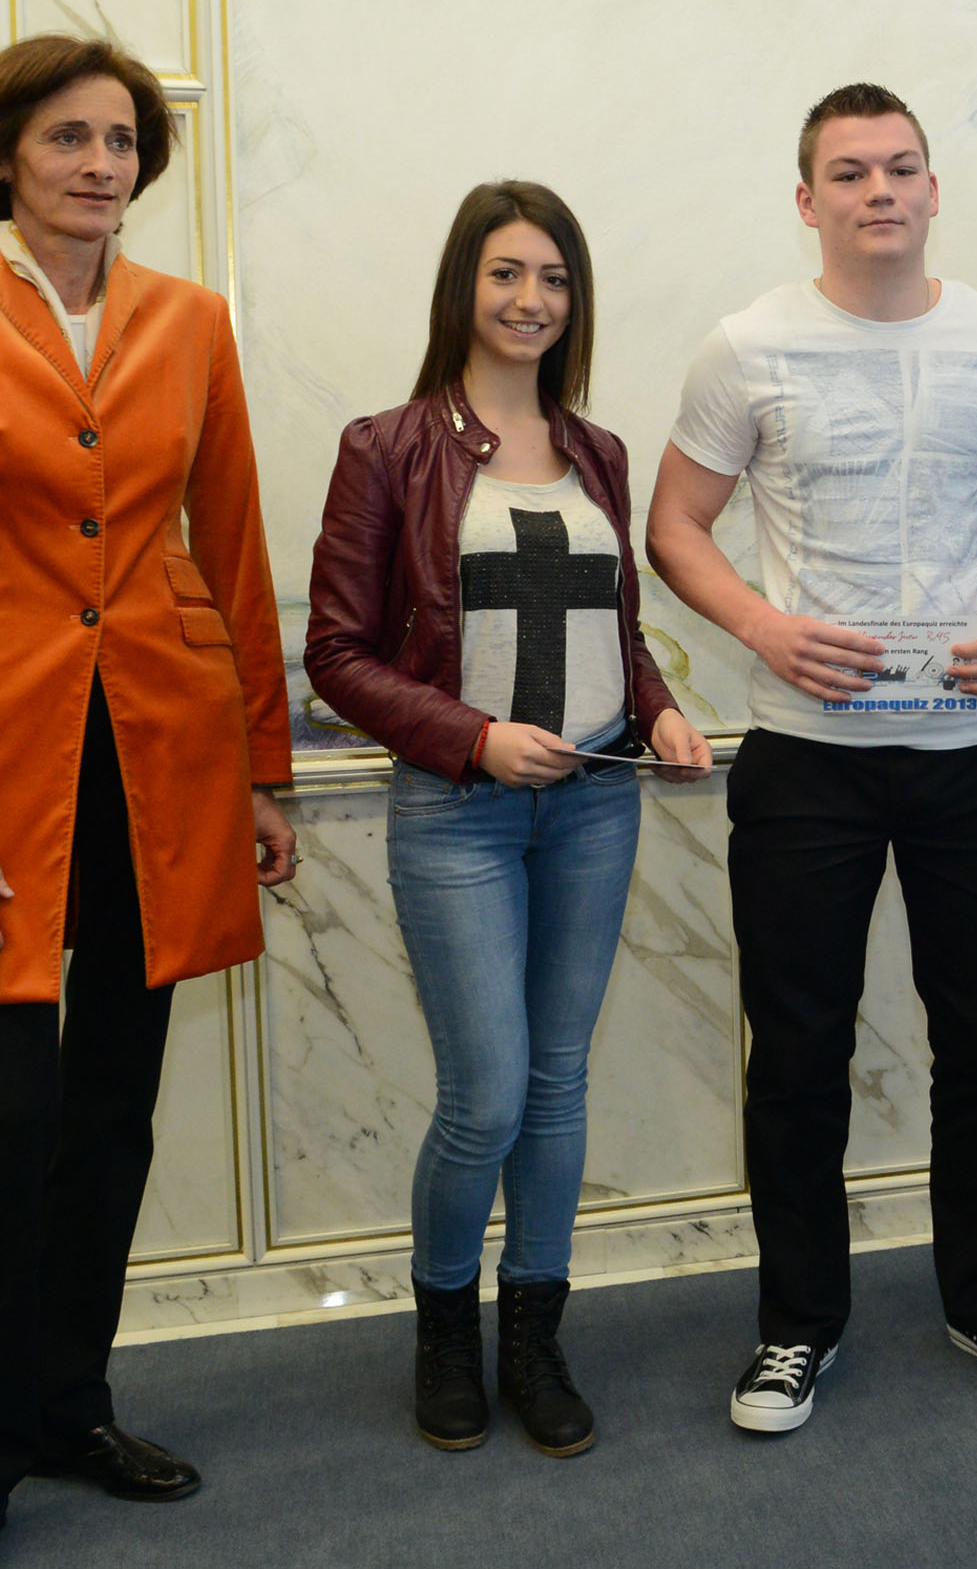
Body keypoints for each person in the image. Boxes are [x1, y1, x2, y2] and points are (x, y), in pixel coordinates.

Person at [0, 35, 298, 1569]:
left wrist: (264, 770)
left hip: (160, 759)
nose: (101, 163)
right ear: (3, 157)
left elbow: (232, 545)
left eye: (121, 140)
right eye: (67, 137)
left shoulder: (191, 321)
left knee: (108, 1112)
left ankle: (67, 1403)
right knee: (3, 1123)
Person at [646, 83, 977, 1432]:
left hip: (976, 751)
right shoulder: (745, 346)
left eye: (899, 168)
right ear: (807, 199)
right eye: (848, 172)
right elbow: (676, 523)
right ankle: (795, 1325)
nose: (877, 190)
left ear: (933, 190)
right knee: (797, 1054)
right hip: (808, 758)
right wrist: (761, 626)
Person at [305, 182, 710, 1458]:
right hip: (458, 813)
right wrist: (472, 737)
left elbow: (614, 630)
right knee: (482, 1095)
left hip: (593, 808)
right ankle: (444, 1331)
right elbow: (335, 653)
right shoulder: (387, 448)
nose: (530, 300)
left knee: (555, 1082)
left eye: (553, 277)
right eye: (505, 273)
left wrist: (658, 711)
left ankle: (534, 1336)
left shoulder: (599, 451)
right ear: (462, 288)